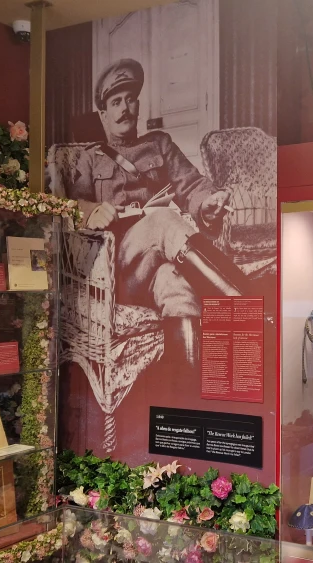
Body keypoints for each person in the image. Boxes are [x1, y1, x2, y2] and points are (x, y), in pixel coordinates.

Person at [69, 58, 250, 367]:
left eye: (130, 99)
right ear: (103, 114)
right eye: (116, 102)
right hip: (116, 270)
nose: (125, 108)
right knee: (164, 219)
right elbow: (69, 205)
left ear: (138, 106)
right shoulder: (88, 158)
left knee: (176, 285)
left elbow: (192, 184)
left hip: (152, 267)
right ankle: (245, 305)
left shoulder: (159, 145)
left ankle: (185, 390)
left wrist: (208, 201)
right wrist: (92, 211)